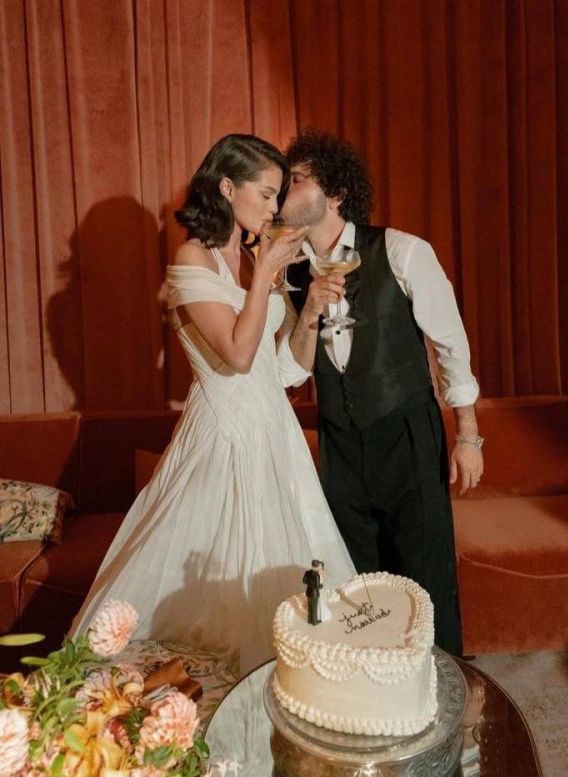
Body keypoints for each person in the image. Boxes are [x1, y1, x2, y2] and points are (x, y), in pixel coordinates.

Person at [70, 134, 355, 675]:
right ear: (227, 187)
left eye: (278, 197)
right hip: (223, 436)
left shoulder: (250, 258)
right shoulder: (191, 258)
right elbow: (238, 356)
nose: (274, 209)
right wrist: (265, 274)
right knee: (207, 606)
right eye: (266, 195)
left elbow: (285, 371)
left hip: (275, 437)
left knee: (292, 587)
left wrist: (311, 309)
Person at [279, 129, 483, 656]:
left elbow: (450, 344)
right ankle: (373, 684)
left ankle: (439, 680)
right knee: (356, 577)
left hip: (406, 430)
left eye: (297, 179)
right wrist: (307, 305)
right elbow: (288, 373)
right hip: (339, 443)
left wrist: (468, 437)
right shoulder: (289, 275)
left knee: (425, 569)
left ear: (335, 194)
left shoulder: (401, 250)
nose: (284, 189)